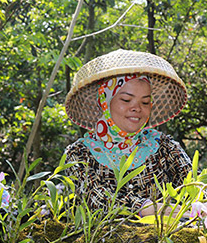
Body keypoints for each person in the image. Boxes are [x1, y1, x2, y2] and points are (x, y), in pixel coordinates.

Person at [63, 49, 192, 216]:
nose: (136, 108)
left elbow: (195, 185)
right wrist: (148, 208)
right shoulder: (79, 154)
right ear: (105, 102)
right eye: (126, 100)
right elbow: (95, 199)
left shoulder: (164, 148)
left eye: (145, 102)